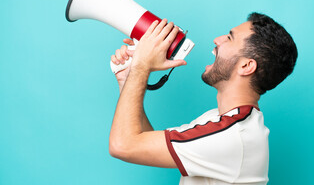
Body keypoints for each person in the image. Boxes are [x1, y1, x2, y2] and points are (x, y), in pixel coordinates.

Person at [109, 13, 298, 185]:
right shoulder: (220, 121)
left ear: (246, 66)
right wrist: (129, 79)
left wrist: (142, 66)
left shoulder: (230, 135)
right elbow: (143, 141)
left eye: (230, 38)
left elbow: (123, 146)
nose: (217, 40)